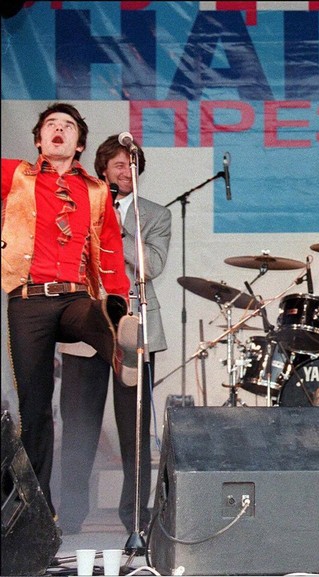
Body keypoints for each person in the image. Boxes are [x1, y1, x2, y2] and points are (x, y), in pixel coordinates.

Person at [1, 102, 136, 519]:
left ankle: (119, 342)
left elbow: (111, 251)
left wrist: (119, 298)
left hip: (75, 294)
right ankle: (40, 510)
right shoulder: (14, 175)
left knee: (97, 315)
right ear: (40, 139)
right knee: (36, 407)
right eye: (51, 126)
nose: (59, 130)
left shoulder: (95, 190)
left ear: (79, 144)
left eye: (68, 127)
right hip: (27, 299)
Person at [57, 135, 172, 534]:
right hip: (84, 323)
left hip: (134, 327)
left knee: (134, 431)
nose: (125, 172)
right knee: (78, 426)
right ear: (102, 169)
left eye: (131, 165)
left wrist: (114, 225)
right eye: (118, 165)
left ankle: (135, 520)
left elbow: (152, 266)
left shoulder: (154, 215)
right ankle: (67, 518)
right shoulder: (77, 208)